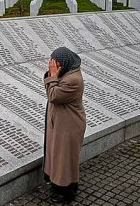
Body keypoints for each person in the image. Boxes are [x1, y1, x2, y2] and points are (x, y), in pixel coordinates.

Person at [43, 47, 86, 204]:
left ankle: (66, 192)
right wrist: (53, 75)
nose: (53, 67)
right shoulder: (67, 73)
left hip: (69, 126)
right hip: (62, 124)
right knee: (60, 157)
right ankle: (61, 186)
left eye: (56, 64)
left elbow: (53, 96)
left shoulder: (73, 80)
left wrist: (53, 76)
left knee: (65, 159)